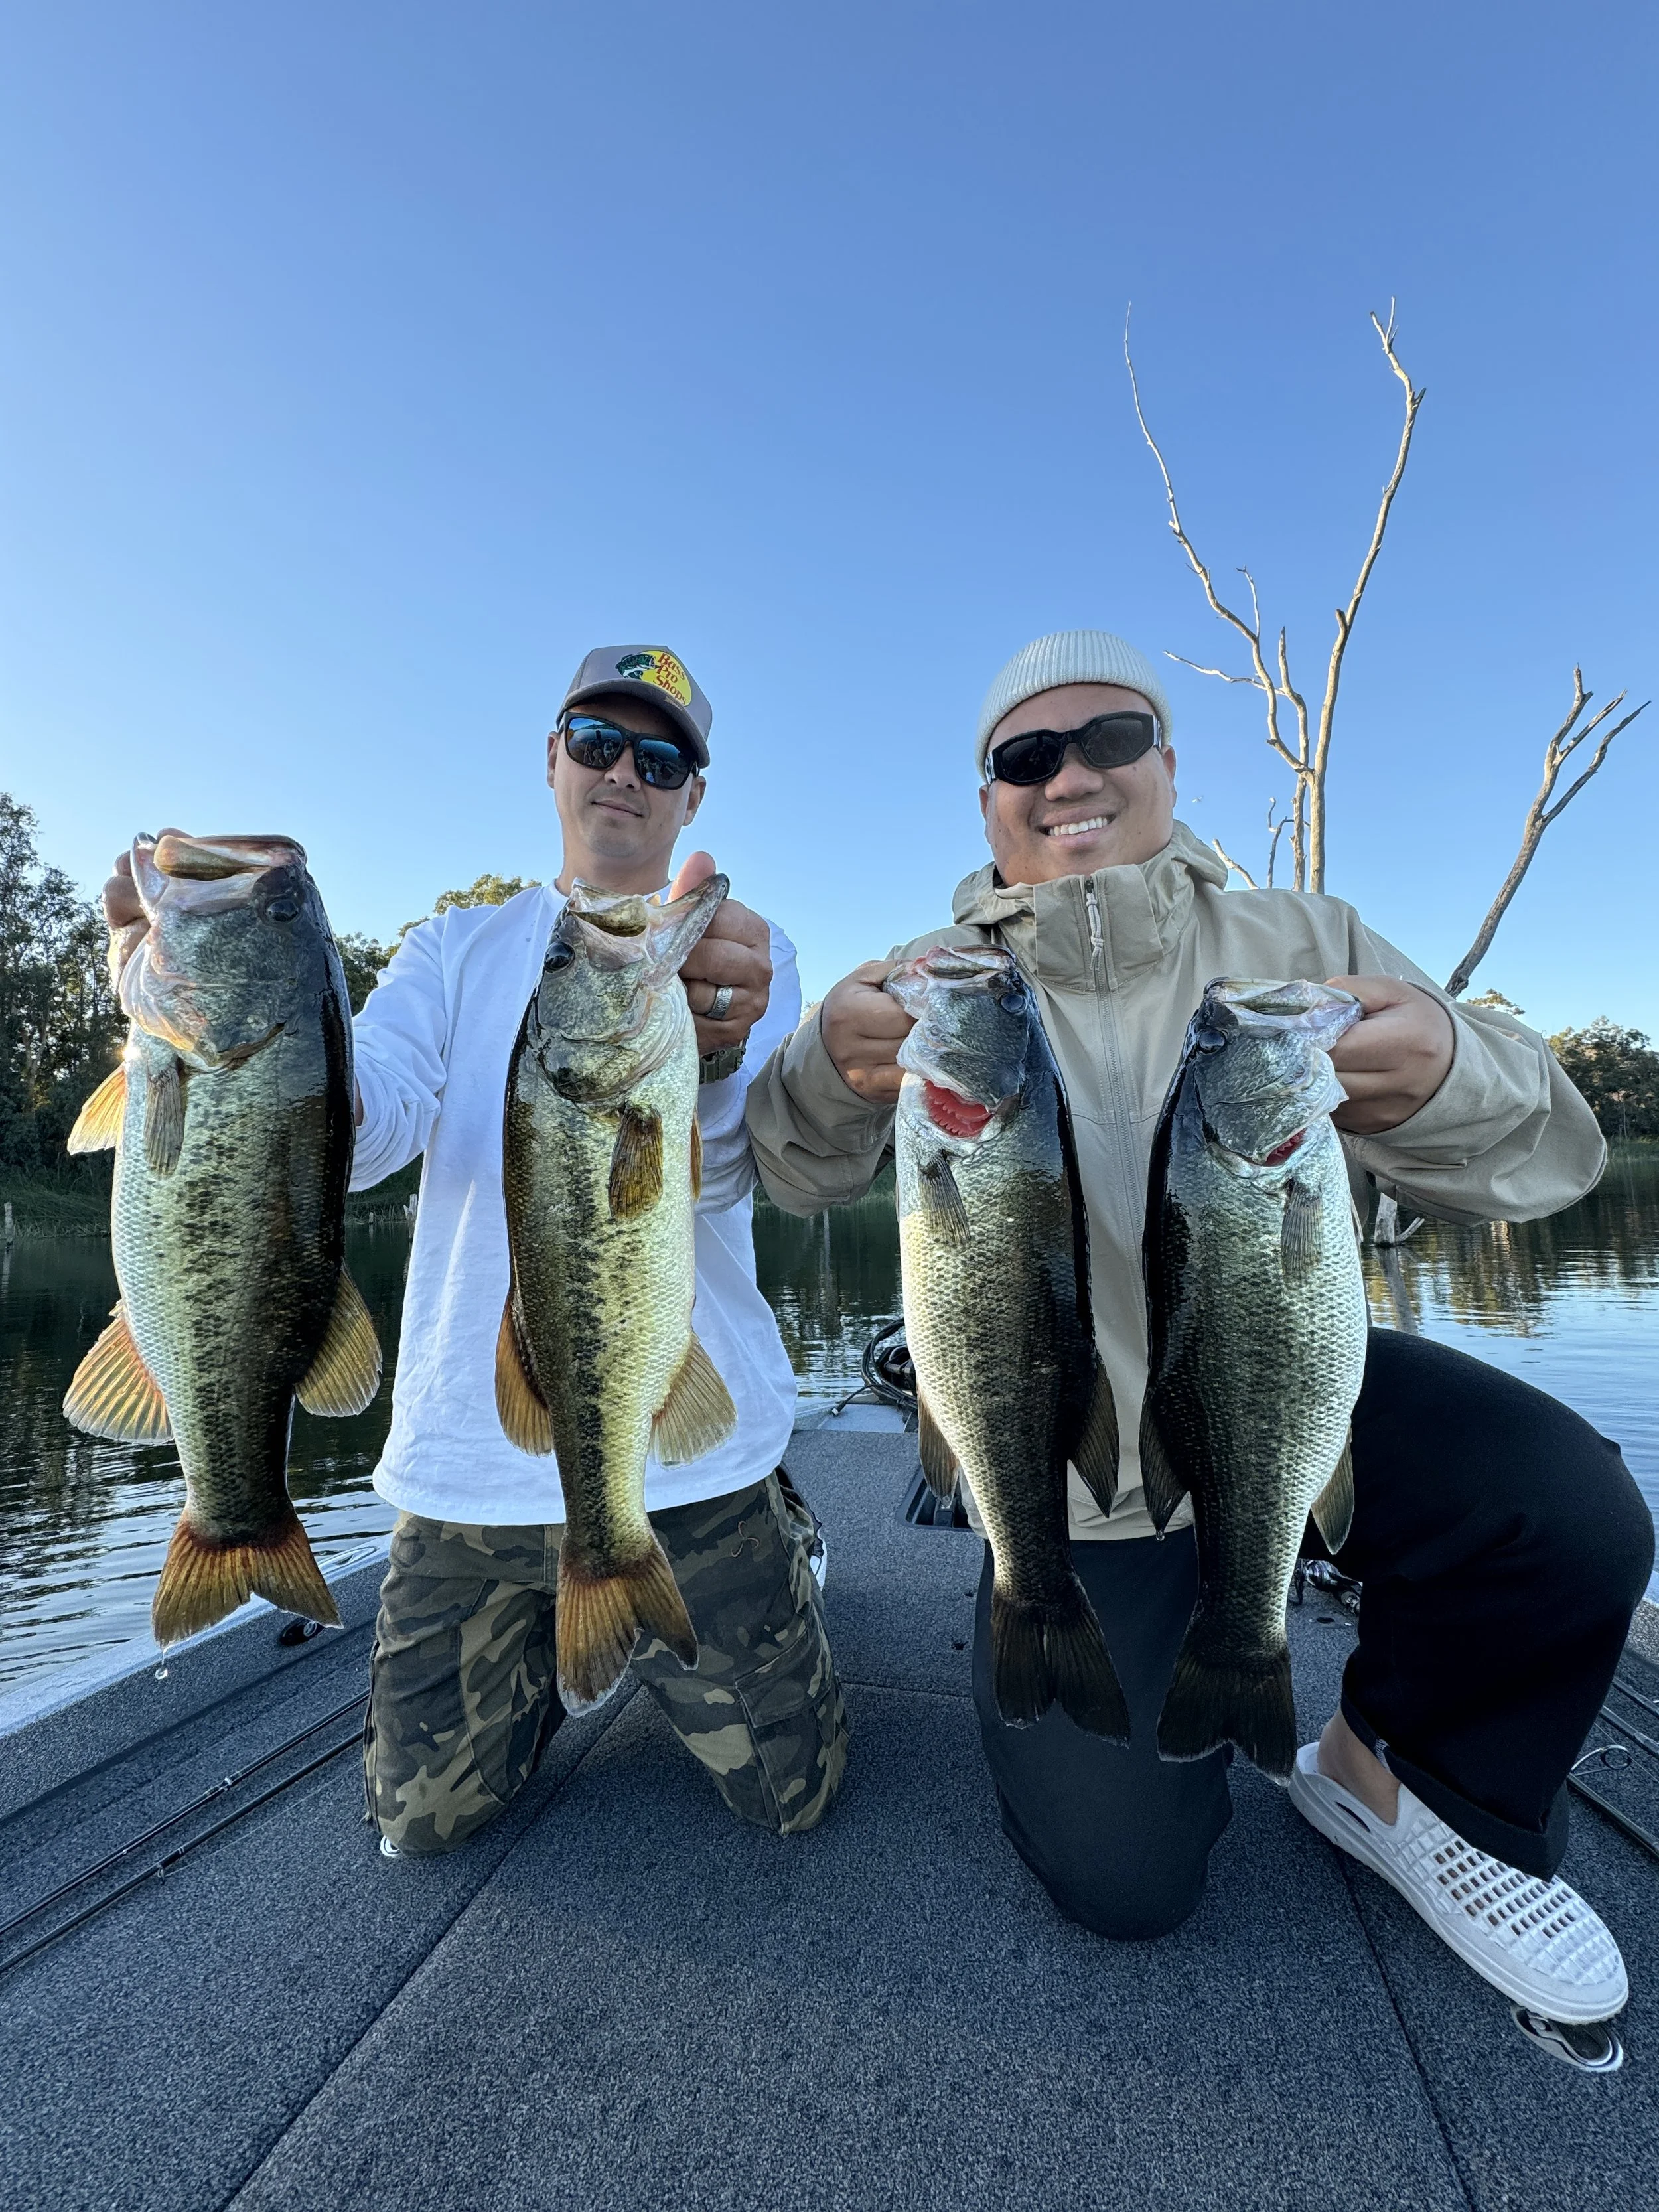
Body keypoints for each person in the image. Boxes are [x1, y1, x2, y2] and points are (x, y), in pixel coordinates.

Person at [746, 628, 1651, 2026]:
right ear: (985, 798)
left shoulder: (1304, 949)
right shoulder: (928, 985)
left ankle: (1400, 1774)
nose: (1068, 778)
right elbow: (798, 1170)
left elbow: (1550, 1159)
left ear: (1166, 762)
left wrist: (1443, 1071)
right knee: (1124, 1885)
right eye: (1024, 756)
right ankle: (1040, 1614)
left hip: (1278, 1386)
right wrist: (822, 1064)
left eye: (1109, 738)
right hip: (1066, 1471)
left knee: (1563, 1506)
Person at [106, 644, 847, 1855]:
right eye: (597, 741)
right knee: (421, 1825)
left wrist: (713, 1050)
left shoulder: (734, 955)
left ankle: (772, 1534)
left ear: (693, 797)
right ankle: (550, 1675)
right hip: (466, 1455)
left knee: (794, 1800)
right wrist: (231, 1038)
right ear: (553, 758)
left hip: (687, 1461)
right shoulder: (455, 948)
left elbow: (734, 1161)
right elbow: (375, 1118)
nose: (625, 773)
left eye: (660, 758)